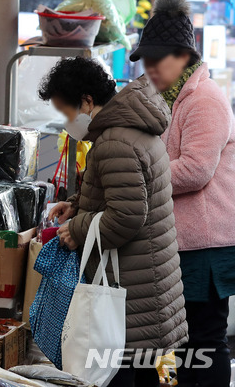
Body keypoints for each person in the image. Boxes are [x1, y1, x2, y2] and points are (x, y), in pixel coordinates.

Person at [40, 57, 187, 386]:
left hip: (133, 291)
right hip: (151, 280)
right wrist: (76, 205)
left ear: (87, 101)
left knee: (126, 376)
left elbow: (128, 214)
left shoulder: (114, 142)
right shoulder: (130, 128)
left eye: (65, 111)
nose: (65, 122)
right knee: (153, 375)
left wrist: (76, 229)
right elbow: (123, 191)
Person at [132, 0, 235, 386]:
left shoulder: (204, 99)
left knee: (205, 339)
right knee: (175, 343)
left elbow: (195, 170)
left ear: (183, 56)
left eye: (159, 60)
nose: (151, 68)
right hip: (177, 242)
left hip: (204, 246)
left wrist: (136, 177)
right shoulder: (165, 98)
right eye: (147, 60)